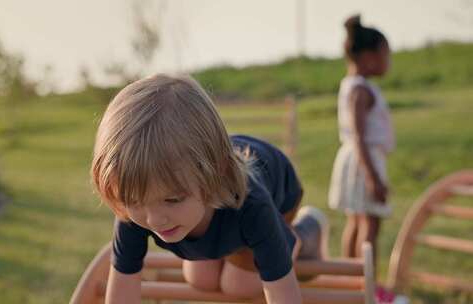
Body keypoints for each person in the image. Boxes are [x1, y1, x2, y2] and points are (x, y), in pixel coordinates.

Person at [91, 74, 328, 303]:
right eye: (134, 201)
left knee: (238, 285)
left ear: (216, 172)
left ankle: (303, 233)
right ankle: (226, 250)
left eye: (173, 200)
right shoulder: (139, 191)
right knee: (201, 279)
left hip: (278, 190)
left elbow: (282, 294)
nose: (155, 220)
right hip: (211, 208)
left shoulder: (253, 207)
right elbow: (123, 286)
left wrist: (280, 252)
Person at [328, 14, 396, 303]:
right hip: (363, 161)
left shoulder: (353, 84)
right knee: (370, 225)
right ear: (368, 58)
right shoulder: (361, 89)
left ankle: (351, 281)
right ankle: (366, 284)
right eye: (385, 55)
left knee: (356, 221)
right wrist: (373, 177)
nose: (388, 62)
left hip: (356, 158)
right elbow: (358, 134)